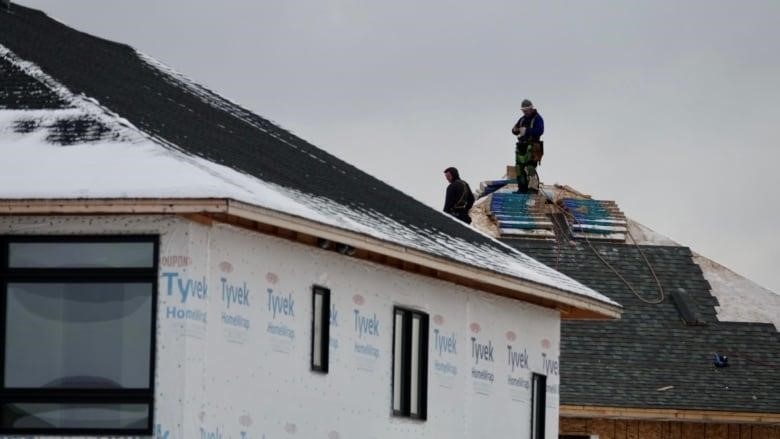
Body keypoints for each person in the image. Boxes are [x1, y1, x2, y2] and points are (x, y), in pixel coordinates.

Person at [511, 99, 544, 193]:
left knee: (530, 168)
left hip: (533, 146)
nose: (525, 112)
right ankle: (522, 189)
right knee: (519, 168)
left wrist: (527, 130)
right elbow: (514, 129)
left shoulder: (538, 118)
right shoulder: (522, 119)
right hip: (521, 146)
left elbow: (540, 131)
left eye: (526, 110)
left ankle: (533, 189)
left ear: (531, 108)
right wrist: (515, 130)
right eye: (523, 111)